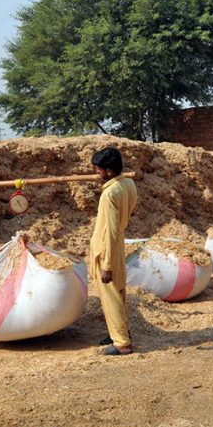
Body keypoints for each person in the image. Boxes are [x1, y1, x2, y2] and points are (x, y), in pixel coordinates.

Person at [89, 146, 138, 355]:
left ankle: (121, 343)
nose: (97, 173)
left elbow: (110, 231)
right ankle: (118, 331)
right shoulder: (129, 184)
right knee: (118, 292)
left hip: (107, 250)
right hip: (117, 247)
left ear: (109, 171)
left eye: (99, 169)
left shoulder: (109, 194)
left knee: (111, 297)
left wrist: (106, 265)